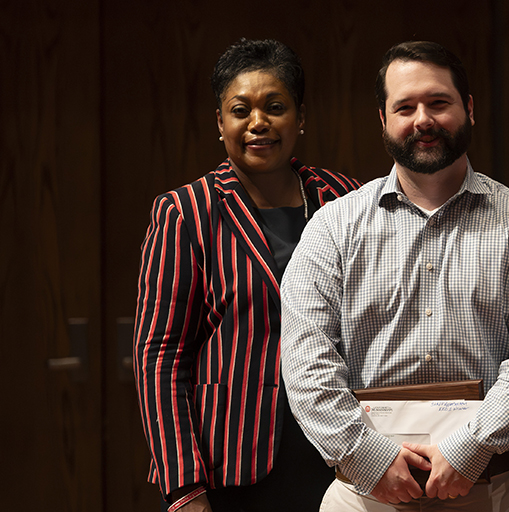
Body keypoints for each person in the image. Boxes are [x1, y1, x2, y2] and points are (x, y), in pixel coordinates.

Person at [279, 41, 509, 512]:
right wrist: (364, 455)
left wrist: (470, 448)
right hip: (363, 494)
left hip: (492, 491)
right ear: (383, 119)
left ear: (469, 108)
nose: (423, 120)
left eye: (439, 102)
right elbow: (305, 363)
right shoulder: (332, 228)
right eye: (405, 106)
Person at [133, 38, 361, 512]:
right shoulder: (187, 212)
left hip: (343, 454)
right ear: (221, 123)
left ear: (300, 116)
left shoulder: (345, 199)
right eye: (241, 110)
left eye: (275, 107)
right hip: (232, 463)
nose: (258, 123)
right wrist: (183, 489)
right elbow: (159, 356)